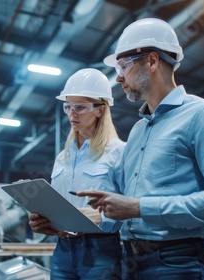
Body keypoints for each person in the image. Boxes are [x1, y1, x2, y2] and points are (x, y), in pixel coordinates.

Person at [77, 18, 204, 279]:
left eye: (124, 65)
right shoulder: (137, 131)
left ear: (153, 61)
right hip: (130, 258)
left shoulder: (203, 115)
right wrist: (77, 222)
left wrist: (140, 207)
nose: (119, 77)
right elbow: (127, 206)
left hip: (178, 260)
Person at [28, 68, 125, 279]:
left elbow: (133, 212)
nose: (72, 113)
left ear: (100, 109)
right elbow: (56, 204)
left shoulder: (119, 152)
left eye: (79, 107)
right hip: (63, 249)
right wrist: (42, 220)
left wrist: (101, 218)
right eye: (68, 106)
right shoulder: (63, 157)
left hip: (101, 251)